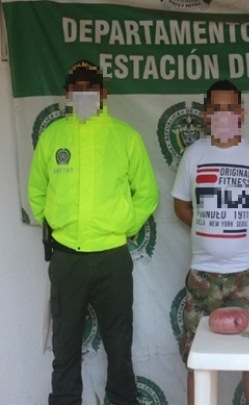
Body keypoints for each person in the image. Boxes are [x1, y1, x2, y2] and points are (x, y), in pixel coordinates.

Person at [28, 60, 159, 405]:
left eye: (90, 88)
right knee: (65, 346)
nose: (84, 94)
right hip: (67, 257)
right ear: (67, 95)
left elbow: (147, 194)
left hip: (112, 258)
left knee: (119, 345)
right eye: (77, 89)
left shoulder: (125, 136)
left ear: (104, 93)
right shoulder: (53, 136)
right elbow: (36, 191)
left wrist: (123, 226)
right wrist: (56, 222)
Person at [171, 80, 249, 405]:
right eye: (216, 109)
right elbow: (181, 204)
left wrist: (248, 231)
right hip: (202, 274)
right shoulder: (194, 154)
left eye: (230, 109)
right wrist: (206, 228)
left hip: (246, 273)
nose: (223, 115)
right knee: (198, 359)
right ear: (206, 115)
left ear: (241, 113)